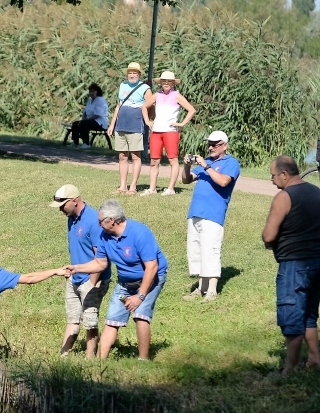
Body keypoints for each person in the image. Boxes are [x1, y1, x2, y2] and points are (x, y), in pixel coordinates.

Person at [64, 199, 168, 361]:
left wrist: (140, 296)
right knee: (112, 320)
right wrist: (77, 268)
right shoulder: (105, 236)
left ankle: (143, 360)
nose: (98, 225)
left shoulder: (140, 233)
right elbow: (100, 263)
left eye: (100, 221)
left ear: (111, 220)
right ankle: (100, 363)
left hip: (151, 278)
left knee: (140, 315)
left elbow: (152, 267)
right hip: (125, 282)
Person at [262, 155, 320, 375]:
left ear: (285, 174)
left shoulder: (284, 197)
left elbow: (269, 235)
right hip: (317, 262)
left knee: (292, 314)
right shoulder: (316, 192)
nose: (272, 180)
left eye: (273, 175)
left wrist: (268, 241)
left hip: (294, 264)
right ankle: (314, 357)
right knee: (309, 314)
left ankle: (290, 368)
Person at [49, 185, 111, 358]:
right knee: (72, 319)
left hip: (94, 279)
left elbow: (100, 258)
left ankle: (89, 359)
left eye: (63, 206)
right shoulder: (71, 218)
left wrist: (91, 283)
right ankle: (63, 355)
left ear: (75, 201)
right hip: (75, 276)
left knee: (90, 322)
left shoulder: (93, 221)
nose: (60, 210)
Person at [181, 130, 240, 302]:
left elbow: (223, 181)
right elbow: (186, 180)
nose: (211, 147)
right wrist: (186, 166)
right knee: (197, 251)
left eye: (215, 144)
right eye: (209, 144)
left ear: (225, 146)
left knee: (210, 251)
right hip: (195, 212)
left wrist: (206, 166)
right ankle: (201, 288)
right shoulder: (206, 161)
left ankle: (212, 291)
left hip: (213, 213)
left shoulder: (231, 163)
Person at [140, 71, 196, 196]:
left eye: (169, 81)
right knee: (154, 161)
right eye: (164, 81)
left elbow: (191, 110)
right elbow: (144, 107)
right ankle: (152, 189)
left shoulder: (177, 95)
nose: (166, 83)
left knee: (173, 160)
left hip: (170, 132)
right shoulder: (156, 95)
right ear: (160, 82)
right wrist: (147, 121)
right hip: (156, 132)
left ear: (173, 83)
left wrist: (181, 123)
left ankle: (171, 189)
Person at [106, 62, 153, 194]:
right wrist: (112, 124)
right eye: (130, 73)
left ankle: (133, 187)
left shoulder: (145, 88)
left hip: (135, 126)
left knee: (135, 156)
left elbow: (151, 107)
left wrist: (146, 120)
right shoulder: (123, 85)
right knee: (122, 156)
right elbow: (118, 106)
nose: (132, 75)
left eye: (134, 73)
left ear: (139, 74)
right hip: (121, 125)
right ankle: (122, 186)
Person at [70, 83, 109, 149]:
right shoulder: (89, 100)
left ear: (97, 91)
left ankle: (86, 143)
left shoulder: (100, 100)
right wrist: (82, 120)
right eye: (90, 91)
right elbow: (85, 113)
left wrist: (84, 121)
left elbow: (96, 115)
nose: (91, 93)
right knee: (75, 124)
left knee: (84, 124)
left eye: (93, 91)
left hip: (99, 122)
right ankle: (75, 142)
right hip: (89, 121)